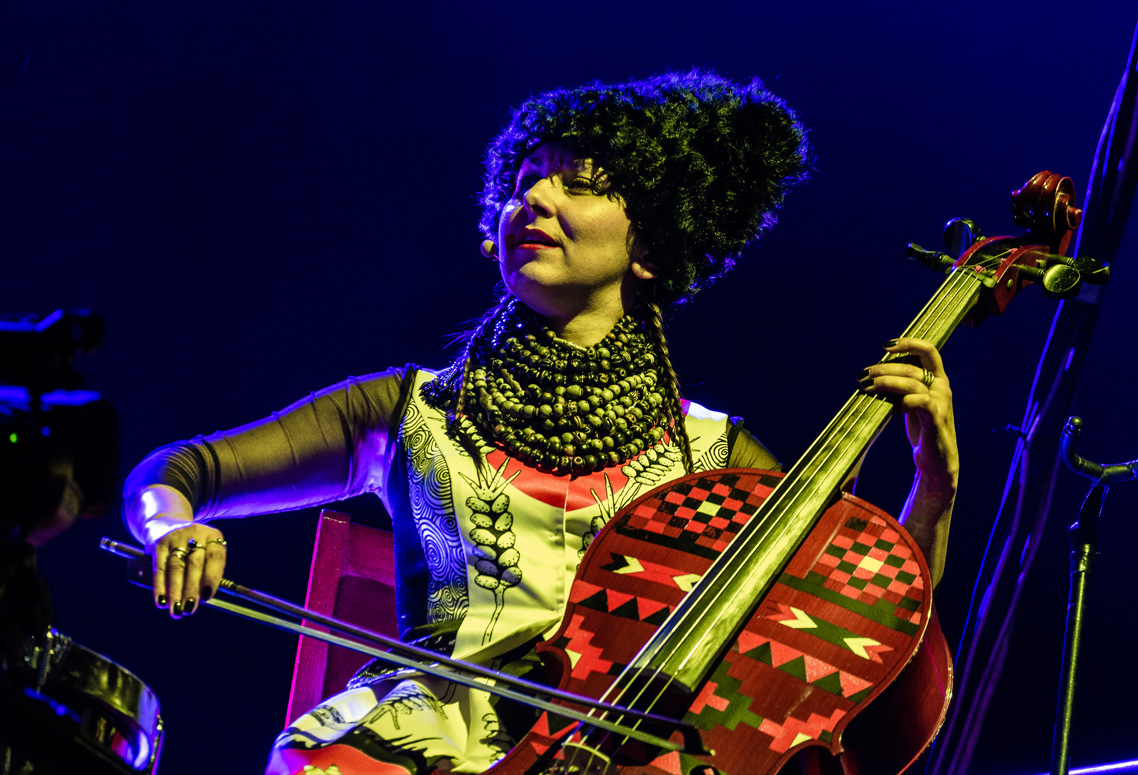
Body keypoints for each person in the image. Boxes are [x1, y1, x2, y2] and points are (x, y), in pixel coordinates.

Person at [123, 70, 957, 775]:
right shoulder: (411, 410)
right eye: (521, 185)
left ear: (650, 248)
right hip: (410, 745)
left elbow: (855, 638)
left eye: (579, 184)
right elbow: (177, 472)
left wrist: (934, 490)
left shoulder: (716, 459)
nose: (535, 200)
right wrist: (172, 528)